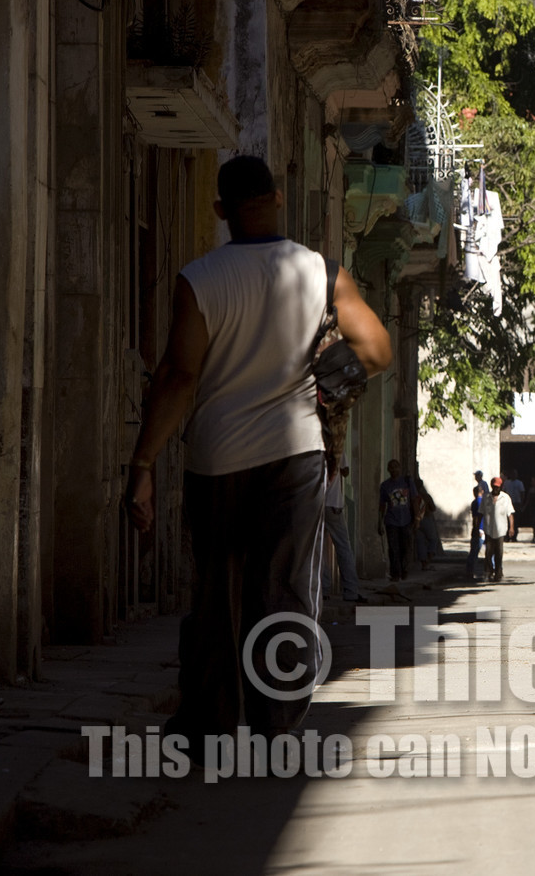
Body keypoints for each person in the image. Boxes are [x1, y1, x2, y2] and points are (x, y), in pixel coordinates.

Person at [124, 154, 391, 743]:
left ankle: (211, 726)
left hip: (216, 457)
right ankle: (278, 726)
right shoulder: (321, 272)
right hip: (295, 456)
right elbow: (376, 348)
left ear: (220, 210)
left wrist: (143, 465)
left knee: (215, 593)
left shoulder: (199, 279)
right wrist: (331, 377)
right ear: (276, 198)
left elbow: (178, 377)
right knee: (284, 592)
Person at [322, 454, 366, 603]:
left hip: (316, 505)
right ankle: (350, 590)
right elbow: (346, 471)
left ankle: (323, 589)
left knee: (320, 550)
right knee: (343, 548)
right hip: (333, 505)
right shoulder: (337, 450)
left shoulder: (314, 447)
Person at [378, 460, 416, 581]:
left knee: (405, 547)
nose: (394, 470)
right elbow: (382, 505)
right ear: (388, 470)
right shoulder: (385, 486)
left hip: (406, 520)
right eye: (391, 467)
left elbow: (414, 500)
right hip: (391, 521)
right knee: (393, 548)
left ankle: (404, 570)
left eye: (396, 467)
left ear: (400, 468)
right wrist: (380, 522)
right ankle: (395, 573)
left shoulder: (407, 482)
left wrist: (417, 518)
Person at [483, 476, 510, 582]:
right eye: (494, 486)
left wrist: (511, 527)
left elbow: (510, 513)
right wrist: (477, 527)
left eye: (497, 487)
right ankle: (488, 571)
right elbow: (480, 513)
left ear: (501, 487)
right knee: (488, 552)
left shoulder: (505, 498)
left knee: (499, 553)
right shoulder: (486, 497)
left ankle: (498, 573)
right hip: (489, 529)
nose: (495, 489)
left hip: (501, 529)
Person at [504, 468, 525, 542]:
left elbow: (522, 493)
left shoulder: (519, 483)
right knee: (507, 520)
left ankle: (514, 537)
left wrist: (521, 503)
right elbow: (504, 491)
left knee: (516, 520)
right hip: (508, 503)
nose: (513, 475)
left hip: (516, 503)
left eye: (515, 474)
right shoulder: (507, 483)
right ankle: (507, 536)